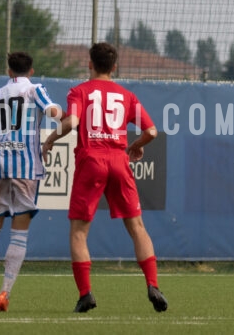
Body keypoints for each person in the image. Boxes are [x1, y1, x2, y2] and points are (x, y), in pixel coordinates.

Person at [41, 42, 168, 313]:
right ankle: (153, 284)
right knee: (137, 227)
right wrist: (135, 145)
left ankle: (86, 294)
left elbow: (72, 122)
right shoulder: (126, 95)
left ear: (89, 63)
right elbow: (153, 131)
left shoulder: (80, 91)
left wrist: (50, 140)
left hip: (91, 160)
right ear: (114, 67)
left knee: (78, 232)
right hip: (119, 160)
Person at [0, 51, 62, 312]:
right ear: (31, 71)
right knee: (19, 234)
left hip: (0, 166)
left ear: (8, 71)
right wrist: (61, 115)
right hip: (27, 169)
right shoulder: (35, 90)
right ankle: (4, 293)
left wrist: (1, 144)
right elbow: (54, 112)